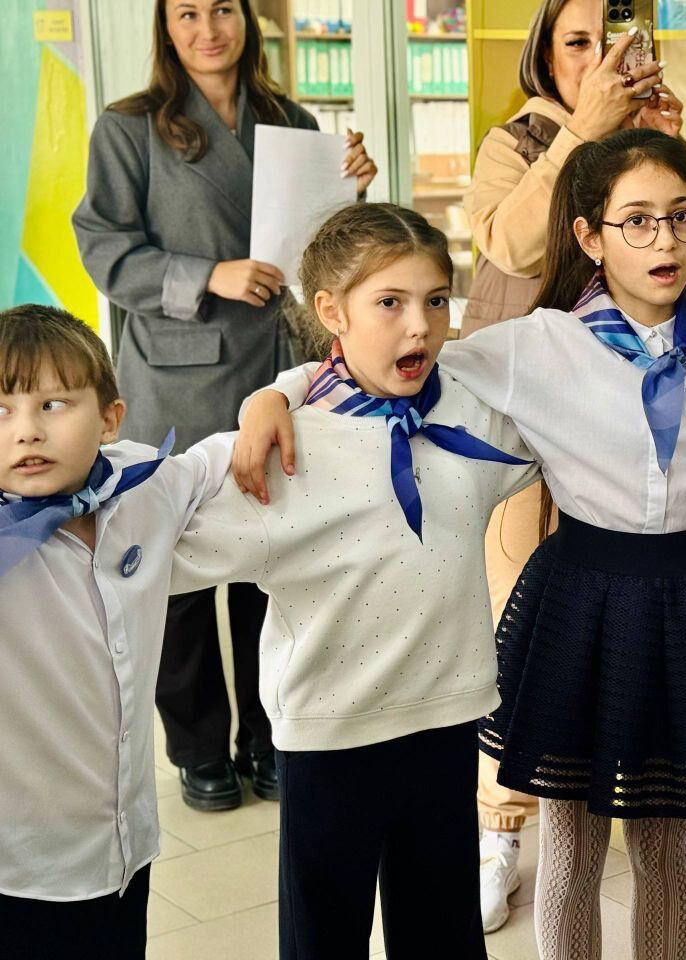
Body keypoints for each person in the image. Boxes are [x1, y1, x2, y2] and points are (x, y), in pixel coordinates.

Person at [236, 129, 686, 959]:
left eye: (681, 216)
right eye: (636, 221)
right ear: (590, 236)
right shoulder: (540, 346)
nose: (663, 240)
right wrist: (277, 390)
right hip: (580, 597)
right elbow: (402, 364)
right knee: (572, 842)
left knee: (666, 847)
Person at [172, 203, 539, 959]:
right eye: (390, 303)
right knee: (324, 937)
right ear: (331, 311)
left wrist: (283, 385)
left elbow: (562, 404)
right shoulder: (286, 449)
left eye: (437, 300)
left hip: (446, 722)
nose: (421, 327)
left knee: (443, 936)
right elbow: (167, 538)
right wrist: (276, 397)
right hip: (329, 737)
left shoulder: (471, 410)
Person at [462, 0, 686, 930]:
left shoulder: (655, 152)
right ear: (546, 54)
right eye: (578, 43)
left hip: (642, 420)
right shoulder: (517, 141)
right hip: (530, 410)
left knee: (650, 647)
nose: (601, 59)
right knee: (524, 631)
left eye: (614, 42)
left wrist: (668, 161)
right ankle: (502, 830)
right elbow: (507, 243)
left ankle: (676, 833)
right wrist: (585, 136)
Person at [71, 0, 377, 812]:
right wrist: (208, 275)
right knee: (176, 566)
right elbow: (105, 248)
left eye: (222, 9)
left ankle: (270, 737)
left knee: (270, 562)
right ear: (166, 28)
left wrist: (351, 187)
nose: (208, 29)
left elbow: (323, 248)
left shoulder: (293, 122)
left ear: (247, 18)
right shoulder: (129, 128)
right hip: (180, 372)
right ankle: (198, 748)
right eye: (187, 13)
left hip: (276, 370)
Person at [0, 305, 235, 959]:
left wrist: (280, 395)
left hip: (125, 851)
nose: (26, 430)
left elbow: (209, 464)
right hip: (19, 873)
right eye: (2, 410)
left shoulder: (138, 484)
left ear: (110, 419)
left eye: (52, 405)